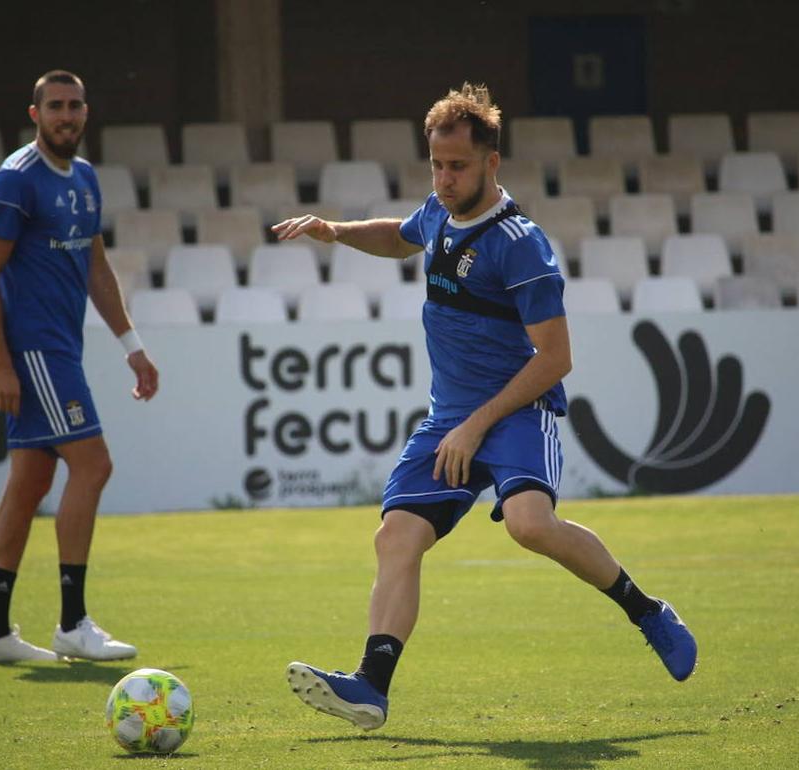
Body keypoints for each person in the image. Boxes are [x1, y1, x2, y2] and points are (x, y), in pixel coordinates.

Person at [273, 83, 696, 729]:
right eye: (437, 165)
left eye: (458, 166)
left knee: (529, 525)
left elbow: (554, 359)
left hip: (516, 415)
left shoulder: (521, 245)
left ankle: (645, 610)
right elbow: (400, 236)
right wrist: (335, 231)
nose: (444, 178)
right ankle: (371, 686)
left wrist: (477, 425)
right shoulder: (439, 211)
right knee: (396, 537)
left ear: (491, 162)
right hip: (450, 419)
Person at [0, 70, 158, 663]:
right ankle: (73, 622)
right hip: (35, 353)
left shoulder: (84, 177)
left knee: (28, 484)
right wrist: (1, 363)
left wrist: (131, 343)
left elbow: (96, 270)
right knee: (94, 465)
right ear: (35, 113)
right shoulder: (15, 181)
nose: (66, 116)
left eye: (75, 106)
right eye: (56, 106)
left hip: (60, 350)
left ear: (86, 112)